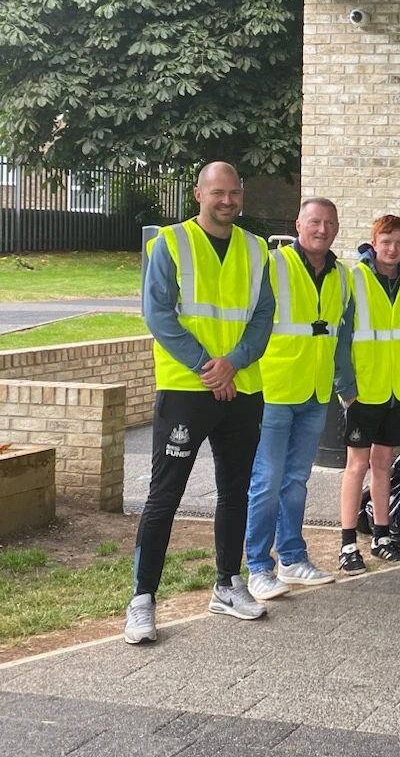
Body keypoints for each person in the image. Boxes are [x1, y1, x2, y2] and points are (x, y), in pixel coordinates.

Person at [125, 162, 274, 644]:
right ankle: (142, 599)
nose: (227, 201)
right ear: (198, 194)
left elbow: (263, 316)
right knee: (164, 495)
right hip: (188, 389)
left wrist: (233, 363)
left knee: (234, 491)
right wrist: (209, 367)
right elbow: (159, 315)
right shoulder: (168, 243)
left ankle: (228, 584)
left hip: (242, 388)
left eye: (234, 193)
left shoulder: (256, 250)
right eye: (218, 193)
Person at [243, 198, 353, 601]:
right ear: (298, 225)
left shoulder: (342, 275)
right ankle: (258, 566)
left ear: (337, 228)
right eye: (314, 222)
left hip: (314, 392)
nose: (321, 229)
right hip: (275, 388)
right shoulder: (275, 265)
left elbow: (339, 336)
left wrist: (344, 387)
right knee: (267, 480)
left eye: (329, 223)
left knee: (295, 481)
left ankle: (291, 557)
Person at [337, 215, 400, 574]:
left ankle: (381, 536)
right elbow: (341, 338)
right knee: (356, 465)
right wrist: (346, 388)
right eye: (386, 241)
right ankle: (347, 544)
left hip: (399, 391)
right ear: (373, 242)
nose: (393, 249)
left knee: (384, 464)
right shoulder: (353, 280)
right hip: (364, 390)